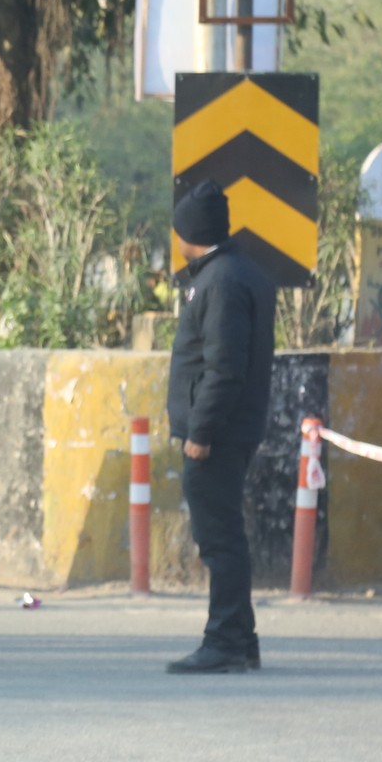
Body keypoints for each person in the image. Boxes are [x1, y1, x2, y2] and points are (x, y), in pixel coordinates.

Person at [164, 181, 274, 674]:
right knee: (224, 534)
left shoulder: (221, 281)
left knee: (220, 540)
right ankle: (241, 639)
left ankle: (226, 640)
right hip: (232, 427)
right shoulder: (236, 271)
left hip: (219, 433)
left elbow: (224, 367)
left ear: (188, 232)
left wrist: (201, 432)